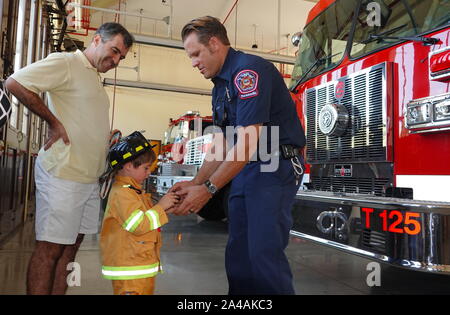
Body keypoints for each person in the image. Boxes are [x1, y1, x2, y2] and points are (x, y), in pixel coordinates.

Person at [171, 16, 306, 295]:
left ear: (215, 43)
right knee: (238, 256)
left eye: (196, 54)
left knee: (263, 255)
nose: (193, 62)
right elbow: (221, 144)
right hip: (245, 171)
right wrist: (196, 182)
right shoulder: (220, 86)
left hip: (273, 167)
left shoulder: (249, 72)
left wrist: (208, 189)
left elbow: (245, 143)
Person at [4, 22, 134, 295]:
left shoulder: (93, 78)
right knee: (50, 249)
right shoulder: (66, 63)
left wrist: (103, 138)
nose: (116, 61)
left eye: (121, 57)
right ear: (96, 39)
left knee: (69, 250)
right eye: (113, 51)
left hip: (88, 179)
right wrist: (52, 122)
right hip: (63, 175)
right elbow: (15, 82)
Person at [100, 131, 179, 295]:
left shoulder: (132, 191)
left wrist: (166, 209)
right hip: (131, 272)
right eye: (146, 168)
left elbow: (145, 217)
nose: (149, 172)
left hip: (139, 266)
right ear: (128, 166)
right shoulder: (122, 194)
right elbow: (139, 225)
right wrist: (160, 207)